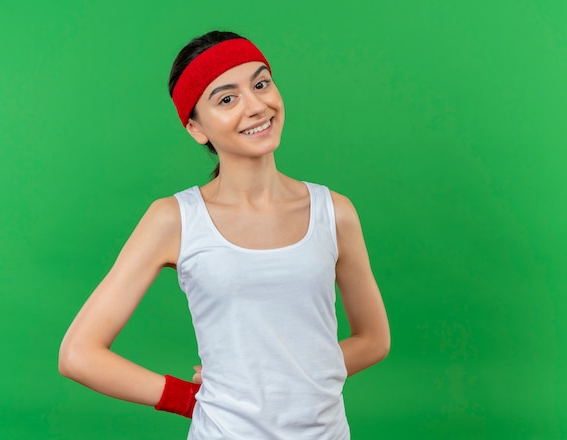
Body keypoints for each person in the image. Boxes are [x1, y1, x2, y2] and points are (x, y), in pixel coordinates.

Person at [58, 30, 390, 439]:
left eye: (261, 83)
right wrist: (186, 397)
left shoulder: (334, 212)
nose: (256, 106)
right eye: (227, 98)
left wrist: (283, 374)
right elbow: (78, 354)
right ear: (197, 128)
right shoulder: (174, 219)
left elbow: (374, 339)